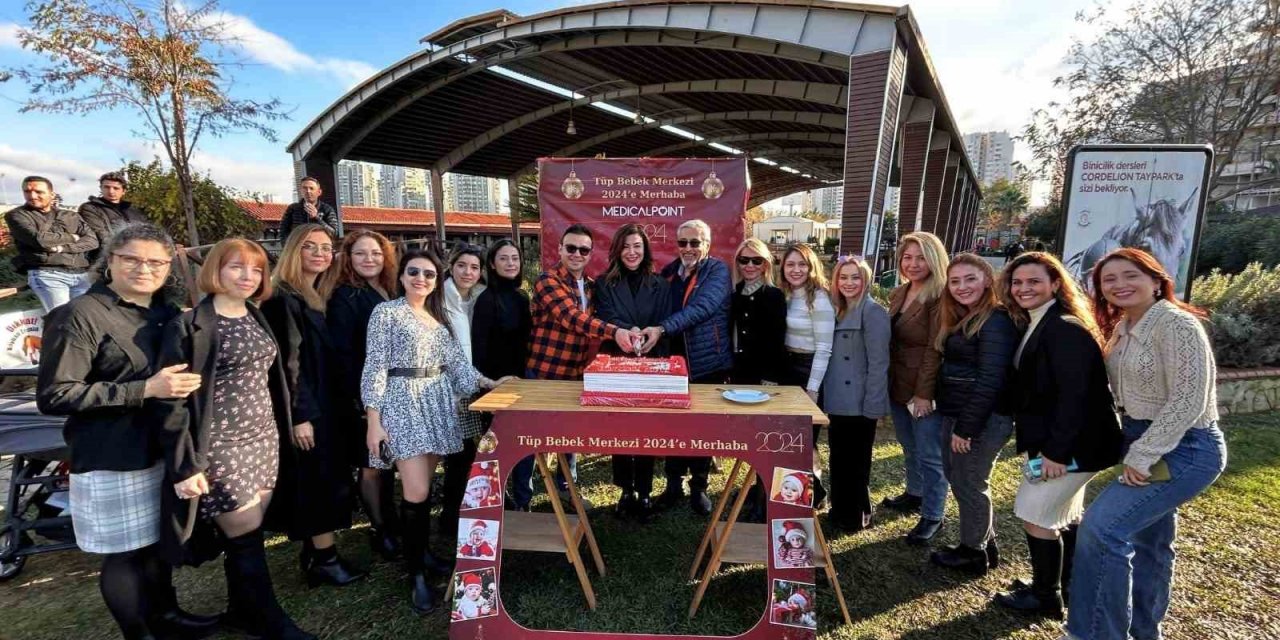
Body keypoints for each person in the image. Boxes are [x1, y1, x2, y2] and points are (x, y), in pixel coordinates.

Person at [36, 223, 219, 640]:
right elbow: (56, 394)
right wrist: (145, 389)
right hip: (111, 454)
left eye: (155, 261)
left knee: (157, 543)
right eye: (132, 259)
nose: (144, 268)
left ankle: (167, 616)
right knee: (124, 555)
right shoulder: (79, 314)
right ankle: (139, 632)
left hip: (162, 448)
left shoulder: (165, 312)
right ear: (110, 262)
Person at [156, 238, 315, 640]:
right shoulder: (188, 325)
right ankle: (270, 621)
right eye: (236, 267)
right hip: (219, 446)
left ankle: (241, 612)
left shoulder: (255, 315)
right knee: (244, 536)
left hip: (263, 438)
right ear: (215, 270)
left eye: (257, 269)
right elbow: (170, 402)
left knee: (248, 534)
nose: (248, 277)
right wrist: (185, 464)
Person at [1064, 248, 1227, 640]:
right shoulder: (1124, 325)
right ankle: (1144, 632)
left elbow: (1189, 399)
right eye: (1109, 280)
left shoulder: (1176, 325)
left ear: (1157, 281)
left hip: (1185, 447)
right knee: (1152, 544)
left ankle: (1095, 633)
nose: (1119, 284)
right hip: (1146, 440)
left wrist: (1142, 454)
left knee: (1102, 530)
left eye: (1131, 275)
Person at [362, 250, 512, 613]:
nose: (421, 278)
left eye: (428, 274)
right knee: (416, 490)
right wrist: (374, 420)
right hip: (404, 404)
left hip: (437, 404)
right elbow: (375, 366)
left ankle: (424, 555)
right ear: (401, 276)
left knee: (424, 491)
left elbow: (459, 367)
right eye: (413, 272)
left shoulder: (436, 317)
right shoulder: (387, 313)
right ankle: (414, 576)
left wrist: (493, 382)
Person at [993, 251, 1122, 618]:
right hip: (1053, 444)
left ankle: (1045, 596)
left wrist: (1056, 454)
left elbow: (1075, 398)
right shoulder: (1037, 322)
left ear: (1054, 284)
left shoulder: (1064, 327)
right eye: (1017, 282)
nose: (1023, 288)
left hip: (1071, 447)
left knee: (1035, 511)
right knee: (1063, 513)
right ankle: (1062, 584)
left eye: (1034, 281)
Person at [260, 224, 365, 588]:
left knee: (322, 477)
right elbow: (289, 364)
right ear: (293, 251)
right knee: (319, 481)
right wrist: (301, 416)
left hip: (326, 404)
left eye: (326, 247)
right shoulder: (283, 298)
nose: (320, 254)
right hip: (309, 408)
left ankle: (313, 552)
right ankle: (325, 559)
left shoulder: (312, 294)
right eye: (310, 247)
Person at [518, 225, 638, 510]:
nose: (576, 254)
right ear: (559, 249)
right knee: (528, 440)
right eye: (570, 248)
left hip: (575, 375)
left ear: (590, 254)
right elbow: (573, 319)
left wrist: (632, 328)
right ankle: (523, 501)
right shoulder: (547, 281)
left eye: (583, 249)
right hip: (543, 374)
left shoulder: (593, 286)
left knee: (568, 438)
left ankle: (566, 491)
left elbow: (606, 316)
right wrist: (616, 332)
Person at [928, 254, 1019, 574]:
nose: (962, 287)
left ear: (987, 281)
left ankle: (973, 552)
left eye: (970, 279)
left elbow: (990, 380)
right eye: (955, 281)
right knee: (961, 479)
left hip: (981, 419)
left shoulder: (995, 321)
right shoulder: (965, 316)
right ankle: (984, 542)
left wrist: (966, 429)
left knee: (970, 482)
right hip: (958, 413)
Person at [320, 230, 400, 560]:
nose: (370, 259)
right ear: (348, 259)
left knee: (388, 461)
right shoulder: (346, 296)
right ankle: (381, 529)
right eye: (361, 254)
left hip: (396, 390)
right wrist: (367, 403)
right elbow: (345, 354)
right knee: (371, 464)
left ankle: (391, 522)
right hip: (367, 395)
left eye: (376, 254)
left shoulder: (390, 289)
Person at [647, 219, 733, 516]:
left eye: (695, 242)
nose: (688, 248)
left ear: (707, 245)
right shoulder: (669, 274)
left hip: (708, 365)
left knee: (702, 430)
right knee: (673, 428)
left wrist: (661, 329)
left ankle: (699, 488)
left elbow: (701, 309)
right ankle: (673, 486)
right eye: (682, 242)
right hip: (674, 366)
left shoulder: (718, 271)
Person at [594, 224, 672, 520]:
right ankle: (625, 490)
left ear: (646, 250)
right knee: (621, 428)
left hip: (652, 362)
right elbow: (606, 316)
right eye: (626, 246)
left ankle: (645, 491)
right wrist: (628, 332)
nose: (632, 252)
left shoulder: (661, 284)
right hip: (618, 361)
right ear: (617, 250)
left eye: (637, 246)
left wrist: (649, 336)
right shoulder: (604, 283)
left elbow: (664, 321)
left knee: (647, 429)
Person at [883, 231, 950, 545]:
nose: (912, 263)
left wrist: (924, 394)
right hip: (897, 383)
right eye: (907, 257)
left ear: (934, 259)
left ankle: (933, 514)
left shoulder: (940, 296)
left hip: (922, 388)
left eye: (921, 257)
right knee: (909, 446)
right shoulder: (899, 292)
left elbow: (935, 349)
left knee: (930, 454)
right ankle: (915, 492)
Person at [821, 255, 890, 532]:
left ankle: (856, 514)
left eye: (856, 277)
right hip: (839, 399)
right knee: (839, 457)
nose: (849, 283)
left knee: (857, 462)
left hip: (860, 401)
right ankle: (840, 509)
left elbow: (879, 363)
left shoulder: (873, 312)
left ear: (866, 280)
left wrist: (873, 404)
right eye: (843, 277)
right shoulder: (837, 310)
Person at [779, 242, 835, 507]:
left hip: (808, 369)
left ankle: (812, 496)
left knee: (805, 441)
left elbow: (824, 348)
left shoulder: (819, 298)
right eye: (790, 264)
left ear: (812, 267)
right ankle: (791, 494)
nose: (796, 269)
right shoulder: (785, 294)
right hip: (786, 369)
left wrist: (813, 388)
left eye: (802, 264)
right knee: (787, 440)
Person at [440, 244, 490, 538]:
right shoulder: (439, 300)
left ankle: (466, 515)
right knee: (457, 460)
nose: (468, 272)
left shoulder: (477, 298)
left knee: (470, 456)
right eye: (462, 265)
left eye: (474, 267)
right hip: (449, 393)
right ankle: (450, 521)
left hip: (473, 387)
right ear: (451, 266)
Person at [5, 175, 99, 312]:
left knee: (84, 319)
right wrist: (73, 237)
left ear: (51, 194)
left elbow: (92, 241)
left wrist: (62, 248)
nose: (32, 195)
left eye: (38, 191)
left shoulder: (71, 216)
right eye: (27, 191)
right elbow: (39, 239)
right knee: (62, 319)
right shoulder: (17, 215)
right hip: (48, 274)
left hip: (81, 274)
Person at [729, 237, 787, 386]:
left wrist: (770, 375)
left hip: (762, 374)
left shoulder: (774, 295)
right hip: (736, 370)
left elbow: (777, 339)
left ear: (765, 264)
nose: (750, 265)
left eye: (757, 261)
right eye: (744, 260)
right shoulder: (734, 293)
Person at [79, 171, 148, 263]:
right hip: (104, 258)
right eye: (106, 187)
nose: (111, 191)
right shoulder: (90, 208)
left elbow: (146, 232)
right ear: (101, 188)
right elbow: (101, 235)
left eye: (116, 188)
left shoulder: (133, 210)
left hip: (137, 255)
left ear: (123, 191)